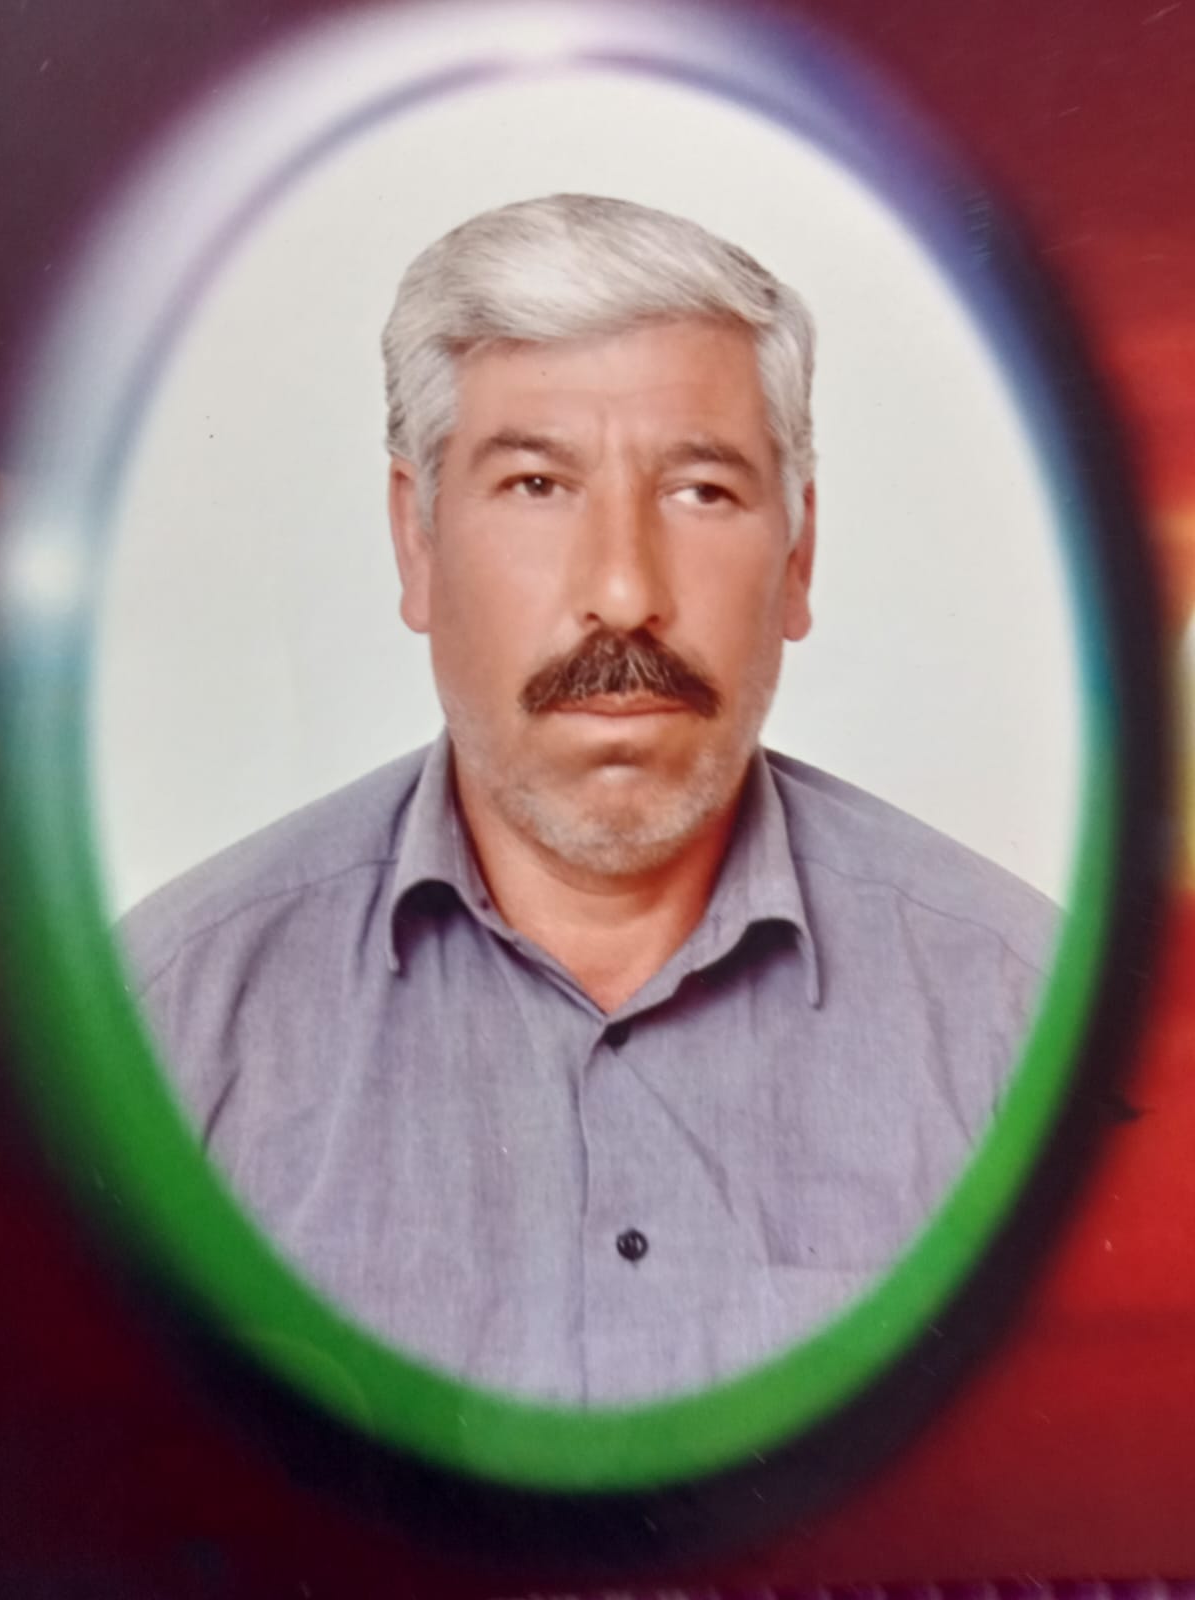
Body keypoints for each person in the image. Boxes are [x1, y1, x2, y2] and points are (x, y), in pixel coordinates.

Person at [119, 194, 1057, 1406]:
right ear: (416, 538)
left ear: (798, 555)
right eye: (535, 484)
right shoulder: (165, 1035)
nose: (622, 590)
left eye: (701, 490)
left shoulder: (1023, 1022)